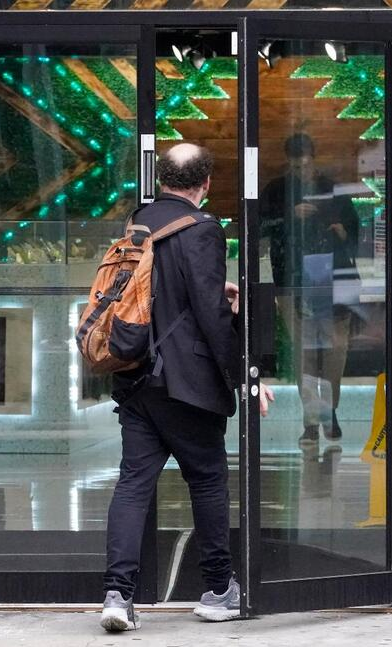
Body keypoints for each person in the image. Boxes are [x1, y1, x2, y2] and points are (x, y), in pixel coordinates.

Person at [100, 143, 273, 632]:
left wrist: (210, 293)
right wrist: (245, 376)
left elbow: (153, 293)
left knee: (133, 485)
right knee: (208, 481)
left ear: (159, 179)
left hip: (136, 378)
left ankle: (118, 595)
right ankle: (218, 589)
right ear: (207, 184)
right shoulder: (202, 229)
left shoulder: (138, 223)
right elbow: (209, 316)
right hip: (186, 384)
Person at [259, 133, 361, 446]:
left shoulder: (332, 189)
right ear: (288, 164)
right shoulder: (277, 190)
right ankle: (311, 420)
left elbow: (356, 230)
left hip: (332, 279)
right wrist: (290, 216)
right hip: (292, 280)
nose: (301, 172)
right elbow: (259, 227)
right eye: (296, 166)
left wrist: (342, 231)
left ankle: (328, 411)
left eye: (305, 165)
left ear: (313, 160)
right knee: (303, 353)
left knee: (334, 352)